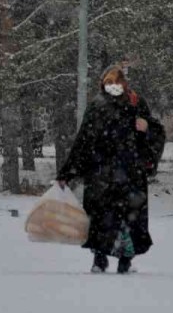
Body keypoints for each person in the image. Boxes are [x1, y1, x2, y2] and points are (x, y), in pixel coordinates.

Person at [56, 64, 166, 274]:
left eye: (116, 82)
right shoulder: (97, 106)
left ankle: (124, 260)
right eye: (108, 83)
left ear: (124, 83)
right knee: (101, 217)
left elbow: (155, 131)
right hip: (104, 173)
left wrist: (147, 128)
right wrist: (67, 172)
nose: (113, 87)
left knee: (126, 217)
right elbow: (84, 140)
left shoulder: (136, 102)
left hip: (127, 172)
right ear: (103, 84)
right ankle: (100, 259)